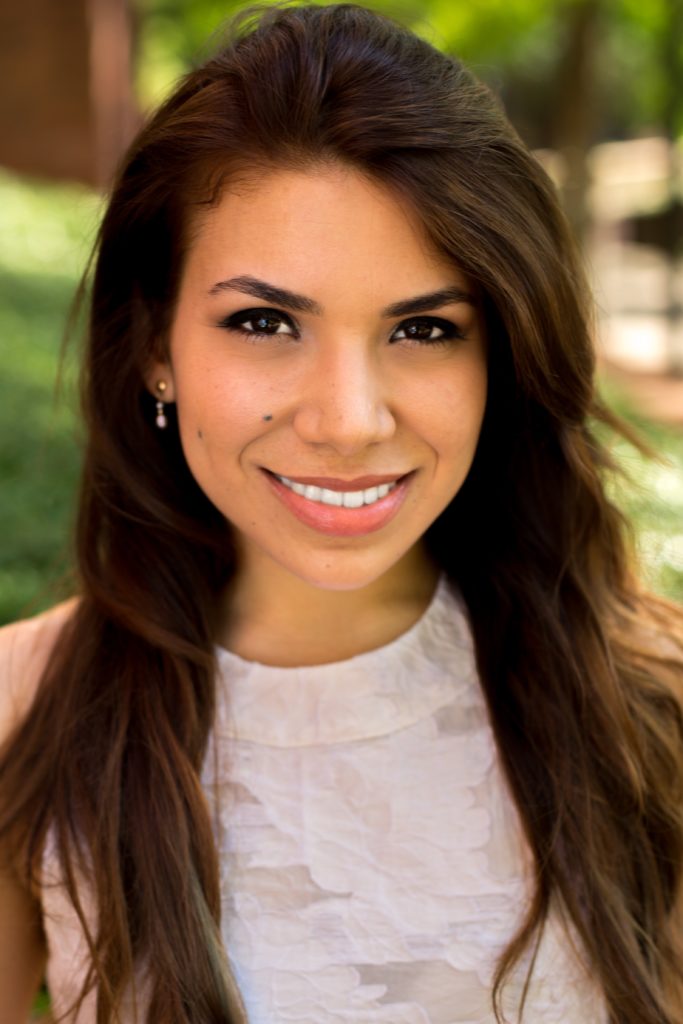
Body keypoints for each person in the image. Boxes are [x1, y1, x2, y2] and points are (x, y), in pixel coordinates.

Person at [1, 3, 682, 1022]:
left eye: (423, 329)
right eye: (263, 321)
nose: (348, 421)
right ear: (153, 346)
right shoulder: (21, 712)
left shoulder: (649, 705)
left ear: (500, 354)